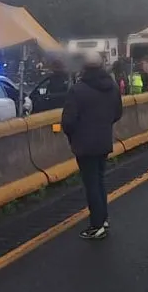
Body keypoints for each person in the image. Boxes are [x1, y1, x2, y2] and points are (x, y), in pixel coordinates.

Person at [61, 50, 123, 239]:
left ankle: (97, 225)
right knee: (100, 180)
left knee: (91, 184)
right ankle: (102, 219)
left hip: (84, 143)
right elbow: (117, 113)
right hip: (103, 140)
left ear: (84, 68)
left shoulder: (77, 90)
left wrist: (73, 134)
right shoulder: (111, 86)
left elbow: (68, 121)